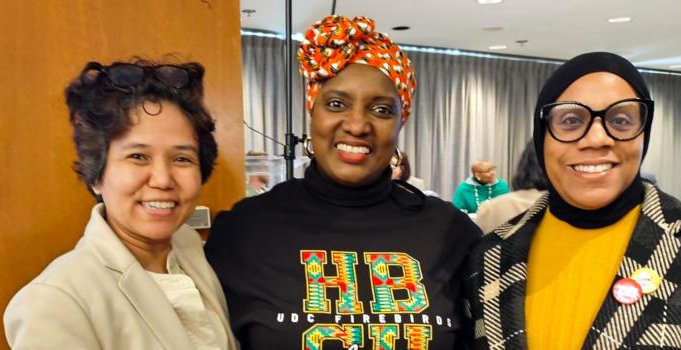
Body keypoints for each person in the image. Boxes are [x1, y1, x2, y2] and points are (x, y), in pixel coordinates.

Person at [464, 52, 681, 349]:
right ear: (542, 134)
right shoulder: (490, 254)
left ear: (643, 134)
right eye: (571, 120)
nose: (597, 139)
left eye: (620, 120)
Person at [204, 15, 481, 350]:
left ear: (400, 125)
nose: (357, 125)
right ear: (312, 112)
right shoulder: (243, 229)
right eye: (336, 104)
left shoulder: (452, 232)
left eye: (381, 110)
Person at [3, 59, 237, 350]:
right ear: (96, 175)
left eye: (181, 158)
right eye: (138, 156)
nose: (163, 180)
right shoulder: (54, 302)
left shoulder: (192, 250)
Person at [474, 142, 546, 233]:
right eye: (488, 170)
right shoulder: (464, 187)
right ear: (477, 174)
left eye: (493, 169)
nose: (493, 173)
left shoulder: (500, 187)